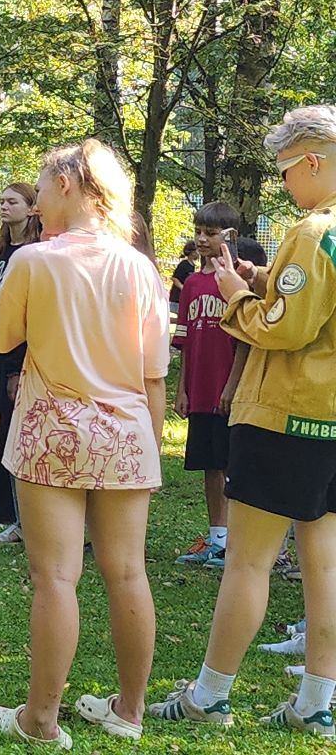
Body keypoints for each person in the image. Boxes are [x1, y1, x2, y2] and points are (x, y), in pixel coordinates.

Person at [148, 106, 336, 739]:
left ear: (313, 161)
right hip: (332, 422)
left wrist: (236, 296)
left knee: (249, 564)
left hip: (284, 418)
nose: (284, 184)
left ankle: (209, 693)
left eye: (285, 171)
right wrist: (262, 283)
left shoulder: (313, 232)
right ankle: (316, 701)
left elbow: (285, 328)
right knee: (326, 566)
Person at [0, 139, 168, 747]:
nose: (33, 204)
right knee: (127, 572)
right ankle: (130, 712)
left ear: (68, 183)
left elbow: (6, 338)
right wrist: (151, 449)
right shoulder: (141, 266)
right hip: (127, 432)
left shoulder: (35, 260)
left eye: (39, 187)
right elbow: (153, 375)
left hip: (51, 429)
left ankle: (40, 719)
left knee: (57, 578)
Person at [170, 201, 244, 568]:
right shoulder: (192, 285)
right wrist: (183, 389)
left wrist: (232, 386)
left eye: (210, 233)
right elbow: (183, 341)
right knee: (210, 465)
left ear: (228, 237)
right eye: (198, 231)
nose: (201, 239)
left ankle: (241, 542)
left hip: (230, 391)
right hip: (199, 390)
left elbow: (246, 341)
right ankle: (218, 538)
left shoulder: (236, 284)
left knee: (234, 464)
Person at [0, 182, 40, 543]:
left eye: (12, 202)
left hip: (19, 349)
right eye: (1, 201)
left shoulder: (37, 251)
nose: (4, 207)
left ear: (30, 208)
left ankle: (7, 510)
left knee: (10, 430)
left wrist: (18, 366)